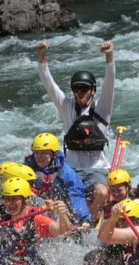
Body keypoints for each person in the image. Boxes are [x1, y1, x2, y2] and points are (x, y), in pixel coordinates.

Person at [36, 39, 115, 221]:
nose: (80, 92)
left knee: (102, 192)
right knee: (53, 198)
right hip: (71, 167)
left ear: (93, 90)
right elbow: (49, 84)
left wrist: (110, 57)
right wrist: (42, 57)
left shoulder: (102, 109)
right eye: (76, 88)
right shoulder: (67, 108)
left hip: (97, 169)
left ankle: (88, 222)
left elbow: (110, 83)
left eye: (85, 88)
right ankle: (65, 222)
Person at [24, 132, 92, 226]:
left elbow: (76, 196)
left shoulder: (66, 172)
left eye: (43, 153)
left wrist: (84, 219)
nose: (39, 157)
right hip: (36, 208)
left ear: (53, 154)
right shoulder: (27, 168)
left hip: (59, 209)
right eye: (36, 153)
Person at [83, 199, 139, 265]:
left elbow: (104, 236)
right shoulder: (114, 242)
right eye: (119, 221)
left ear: (136, 220)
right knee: (94, 257)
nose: (120, 224)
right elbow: (91, 257)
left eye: (124, 221)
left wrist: (113, 219)